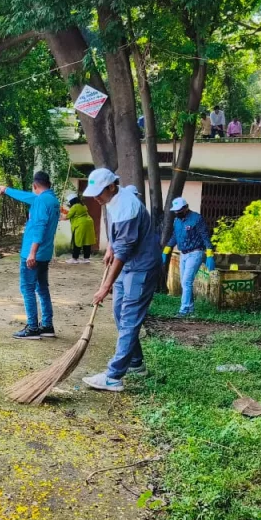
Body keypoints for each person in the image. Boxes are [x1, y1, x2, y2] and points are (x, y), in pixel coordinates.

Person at [79, 168, 161, 392]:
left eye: (99, 193)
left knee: (129, 318)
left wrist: (105, 286)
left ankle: (114, 376)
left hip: (140, 267)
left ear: (112, 187)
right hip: (129, 265)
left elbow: (125, 249)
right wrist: (111, 248)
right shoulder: (114, 201)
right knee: (119, 312)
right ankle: (135, 362)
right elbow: (120, 240)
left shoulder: (127, 205)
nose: (96, 198)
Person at [0, 171, 60, 340]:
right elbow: (26, 197)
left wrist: (32, 253)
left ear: (35, 185)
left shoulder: (40, 201)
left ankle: (32, 328)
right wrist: (6, 190)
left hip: (33, 254)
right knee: (42, 289)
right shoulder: (51, 200)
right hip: (45, 254)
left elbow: (39, 227)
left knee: (27, 289)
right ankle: (47, 326)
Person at [162, 197, 215, 317]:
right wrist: (166, 250)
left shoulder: (197, 219)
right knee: (184, 282)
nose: (177, 213)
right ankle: (190, 309)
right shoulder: (177, 221)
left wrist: (210, 254)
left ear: (186, 208)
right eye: (175, 211)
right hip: (183, 254)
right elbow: (175, 236)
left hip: (195, 253)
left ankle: (184, 310)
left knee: (186, 281)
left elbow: (205, 236)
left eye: (179, 210)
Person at [64, 193, 96, 264]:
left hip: (80, 224)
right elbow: (73, 213)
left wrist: (59, 216)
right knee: (87, 241)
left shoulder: (74, 206)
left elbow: (67, 216)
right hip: (89, 223)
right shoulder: (82, 205)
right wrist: (63, 210)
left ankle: (75, 258)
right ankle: (86, 258)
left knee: (77, 241)